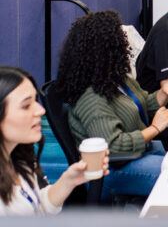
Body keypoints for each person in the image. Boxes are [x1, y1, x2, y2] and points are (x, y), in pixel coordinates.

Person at [55, 10, 168, 199]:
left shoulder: (115, 79)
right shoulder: (91, 96)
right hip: (112, 171)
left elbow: (143, 104)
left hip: (139, 154)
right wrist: (155, 128)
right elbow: (113, 147)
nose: (125, 46)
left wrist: (164, 93)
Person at [0, 66, 109, 216]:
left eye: (35, 101)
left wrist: (69, 180)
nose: (40, 110)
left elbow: (36, 207)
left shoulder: (18, 161)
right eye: (26, 106)